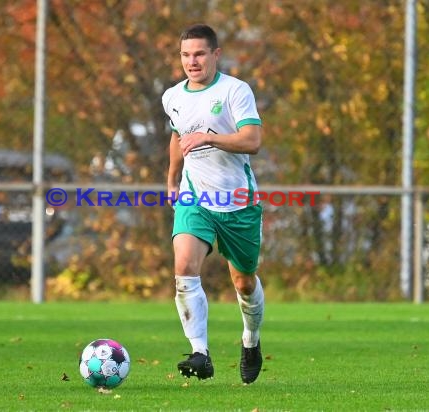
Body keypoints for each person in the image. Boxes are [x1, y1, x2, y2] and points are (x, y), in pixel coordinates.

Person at [162, 23, 265, 384]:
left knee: (244, 281)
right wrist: (173, 178)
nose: (193, 61)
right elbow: (178, 136)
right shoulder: (172, 96)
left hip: (238, 202)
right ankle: (200, 352)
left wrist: (210, 138)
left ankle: (250, 341)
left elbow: (252, 140)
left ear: (215, 55)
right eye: (186, 55)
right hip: (195, 198)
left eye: (200, 54)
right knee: (184, 266)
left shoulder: (236, 90)